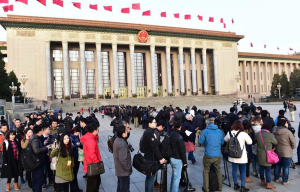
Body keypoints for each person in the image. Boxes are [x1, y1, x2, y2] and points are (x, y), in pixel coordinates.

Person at [224, 121, 252, 192]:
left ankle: (235, 185)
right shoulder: (243, 134)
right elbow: (250, 142)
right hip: (241, 155)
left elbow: (225, 140)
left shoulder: (229, 133)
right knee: (243, 170)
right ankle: (242, 186)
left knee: (234, 169)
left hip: (232, 154)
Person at [199, 118, 224, 192]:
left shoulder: (205, 131)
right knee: (218, 170)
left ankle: (206, 188)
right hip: (217, 154)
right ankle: (220, 187)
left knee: (206, 170)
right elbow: (222, 142)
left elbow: (200, 141)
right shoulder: (219, 131)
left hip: (208, 154)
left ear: (207, 124)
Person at [142, 117, 165, 192]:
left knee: (149, 178)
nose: (156, 123)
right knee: (151, 179)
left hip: (150, 157)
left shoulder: (150, 132)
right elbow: (154, 147)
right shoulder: (149, 133)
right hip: (151, 159)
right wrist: (161, 158)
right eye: (154, 122)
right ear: (149, 124)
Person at [273, 119, 296, 185]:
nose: (287, 124)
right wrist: (292, 147)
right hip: (287, 152)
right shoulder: (288, 132)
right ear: (283, 124)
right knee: (286, 167)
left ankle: (276, 178)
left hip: (277, 151)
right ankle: (285, 180)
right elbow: (293, 142)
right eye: (286, 123)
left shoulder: (274, 131)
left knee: (278, 165)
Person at [255, 122, 277, 189]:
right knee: (268, 169)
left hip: (260, 154)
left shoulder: (257, 134)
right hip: (268, 154)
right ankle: (268, 184)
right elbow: (275, 142)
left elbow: (255, 141)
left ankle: (262, 181)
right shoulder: (270, 135)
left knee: (261, 168)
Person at [80, 123, 102, 192]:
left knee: (95, 183)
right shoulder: (90, 141)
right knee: (92, 186)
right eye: (97, 129)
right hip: (92, 166)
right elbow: (92, 155)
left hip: (91, 165)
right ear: (94, 130)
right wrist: (97, 164)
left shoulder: (90, 138)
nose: (98, 130)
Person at [168, 121, 187, 192]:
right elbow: (182, 150)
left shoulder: (171, 133)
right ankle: (174, 190)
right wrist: (184, 162)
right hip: (177, 158)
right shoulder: (179, 137)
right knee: (177, 177)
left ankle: (171, 189)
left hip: (171, 157)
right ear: (180, 127)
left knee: (174, 175)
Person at [31, 125, 51, 192]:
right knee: (39, 180)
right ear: (39, 131)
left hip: (36, 161)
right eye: (42, 130)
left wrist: (43, 144)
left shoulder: (35, 138)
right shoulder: (35, 139)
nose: (43, 131)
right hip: (36, 162)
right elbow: (36, 151)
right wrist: (46, 148)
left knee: (35, 179)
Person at [113, 125, 132, 192]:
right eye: (126, 132)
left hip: (119, 170)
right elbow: (123, 160)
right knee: (124, 188)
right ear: (122, 134)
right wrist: (128, 167)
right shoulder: (122, 144)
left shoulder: (117, 139)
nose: (127, 132)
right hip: (123, 171)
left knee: (120, 188)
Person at [70, 126, 83, 192]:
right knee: (74, 174)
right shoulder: (70, 138)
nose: (79, 134)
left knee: (75, 174)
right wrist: (76, 145)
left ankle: (76, 188)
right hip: (74, 158)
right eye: (78, 132)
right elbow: (70, 149)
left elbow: (80, 145)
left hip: (77, 157)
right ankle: (74, 188)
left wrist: (80, 144)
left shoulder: (76, 137)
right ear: (75, 132)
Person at [41, 125, 53, 190]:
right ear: (44, 130)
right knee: (44, 170)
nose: (49, 130)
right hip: (43, 156)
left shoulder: (51, 137)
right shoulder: (40, 138)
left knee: (50, 169)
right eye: (48, 129)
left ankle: (51, 180)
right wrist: (43, 143)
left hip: (51, 155)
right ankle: (44, 182)